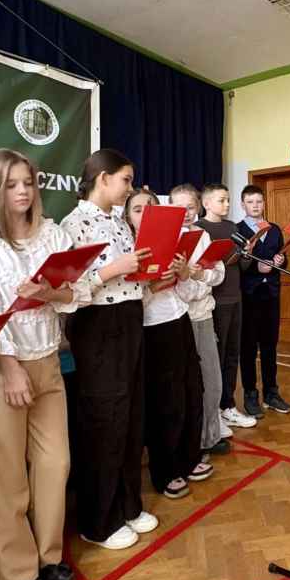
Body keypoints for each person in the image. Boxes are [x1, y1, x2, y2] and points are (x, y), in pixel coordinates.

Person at [0, 149, 79, 580]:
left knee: (55, 463)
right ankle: (15, 574)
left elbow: (73, 294)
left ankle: (49, 556)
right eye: (10, 184)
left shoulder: (52, 231)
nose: (23, 191)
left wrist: (51, 293)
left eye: (28, 182)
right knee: (4, 475)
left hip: (46, 358)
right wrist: (8, 367)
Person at [60, 149, 158, 551]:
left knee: (131, 415)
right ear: (102, 178)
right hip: (98, 326)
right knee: (104, 421)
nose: (130, 188)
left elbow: (131, 274)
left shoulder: (119, 223)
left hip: (130, 319)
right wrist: (113, 270)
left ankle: (127, 504)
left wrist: (150, 271)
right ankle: (97, 520)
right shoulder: (72, 225)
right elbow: (68, 291)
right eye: (125, 180)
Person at [123, 188, 211, 500]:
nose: (144, 213)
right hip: (152, 330)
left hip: (180, 320)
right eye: (136, 209)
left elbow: (186, 293)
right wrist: (151, 286)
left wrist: (184, 274)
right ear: (127, 217)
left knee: (192, 392)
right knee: (165, 403)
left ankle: (189, 458)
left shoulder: (172, 243)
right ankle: (166, 470)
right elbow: (127, 303)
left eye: (150, 207)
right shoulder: (126, 249)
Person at [169, 184, 231, 455]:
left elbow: (217, 275)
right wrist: (194, 281)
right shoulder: (166, 237)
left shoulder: (203, 235)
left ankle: (209, 436)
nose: (184, 213)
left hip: (204, 315)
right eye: (178, 207)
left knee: (212, 381)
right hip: (177, 319)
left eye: (190, 207)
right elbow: (175, 288)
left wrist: (196, 276)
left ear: (197, 208)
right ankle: (190, 443)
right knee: (185, 387)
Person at [195, 184, 257, 430]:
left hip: (236, 298)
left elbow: (240, 268)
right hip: (214, 302)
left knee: (233, 355)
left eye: (228, 200)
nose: (227, 204)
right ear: (206, 203)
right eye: (222, 200)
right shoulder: (200, 229)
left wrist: (247, 254)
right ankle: (214, 409)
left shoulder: (233, 228)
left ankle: (228, 405)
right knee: (215, 359)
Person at [236, 184, 290, 416]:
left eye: (259, 201)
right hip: (249, 297)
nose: (256, 206)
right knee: (248, 348)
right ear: (243, 205)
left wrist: (281, 261)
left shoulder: (275, 229)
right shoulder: (237, 230)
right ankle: (251, 394)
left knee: (270, 346)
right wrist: (255, 268)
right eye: (251, 202)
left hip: (271, 295)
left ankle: (271, 392)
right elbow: (235, 266)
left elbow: (282, 257)